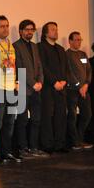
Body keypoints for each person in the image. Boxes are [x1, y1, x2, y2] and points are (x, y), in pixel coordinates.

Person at [0, 15, 21, 163]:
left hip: (11, 88)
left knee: (10, 121)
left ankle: (7, 152)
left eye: (7, 26)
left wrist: (17, 81)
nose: (5, 29)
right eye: (2, 26)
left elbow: (15, 65)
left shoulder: (10, 45)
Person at [13, 20, 47, 158]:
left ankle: (34, 147)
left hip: (36, 89)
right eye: (27, 29)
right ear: (20, 31)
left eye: (32, 29)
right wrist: (33, 83)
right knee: (22, 120)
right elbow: (20, 68)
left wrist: (40, 82)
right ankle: (23, 149)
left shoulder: (34, 46)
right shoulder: (15, 46)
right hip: (23, 90)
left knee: (36, 119)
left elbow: (39, 66)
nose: (30, 32)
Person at [38, 22, 69, 153]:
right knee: (47, 116)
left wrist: (64, 81)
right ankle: (48, 144)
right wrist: (54, 82)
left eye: (56, 29)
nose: (56, 32)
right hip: (48, 88)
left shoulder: (61, 49)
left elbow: (66, 68)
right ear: (45, 33)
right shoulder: (40, 47)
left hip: (61, 87)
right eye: (52, 29)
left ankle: (59, 144)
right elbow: (43, 67)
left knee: (61, 116)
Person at [66, 32, 93, 151]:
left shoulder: (83, 54)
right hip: (72, 90)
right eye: (76, 40)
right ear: (70, 41)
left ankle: (80, 138)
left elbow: (89, 70)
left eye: (80, 40)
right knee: (72, 116)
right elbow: (68, 72)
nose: (79, 42)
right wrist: (78, 86)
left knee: (87, 114)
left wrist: (86, 84)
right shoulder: (66, 54)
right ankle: (74, 142)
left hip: (84, 90)